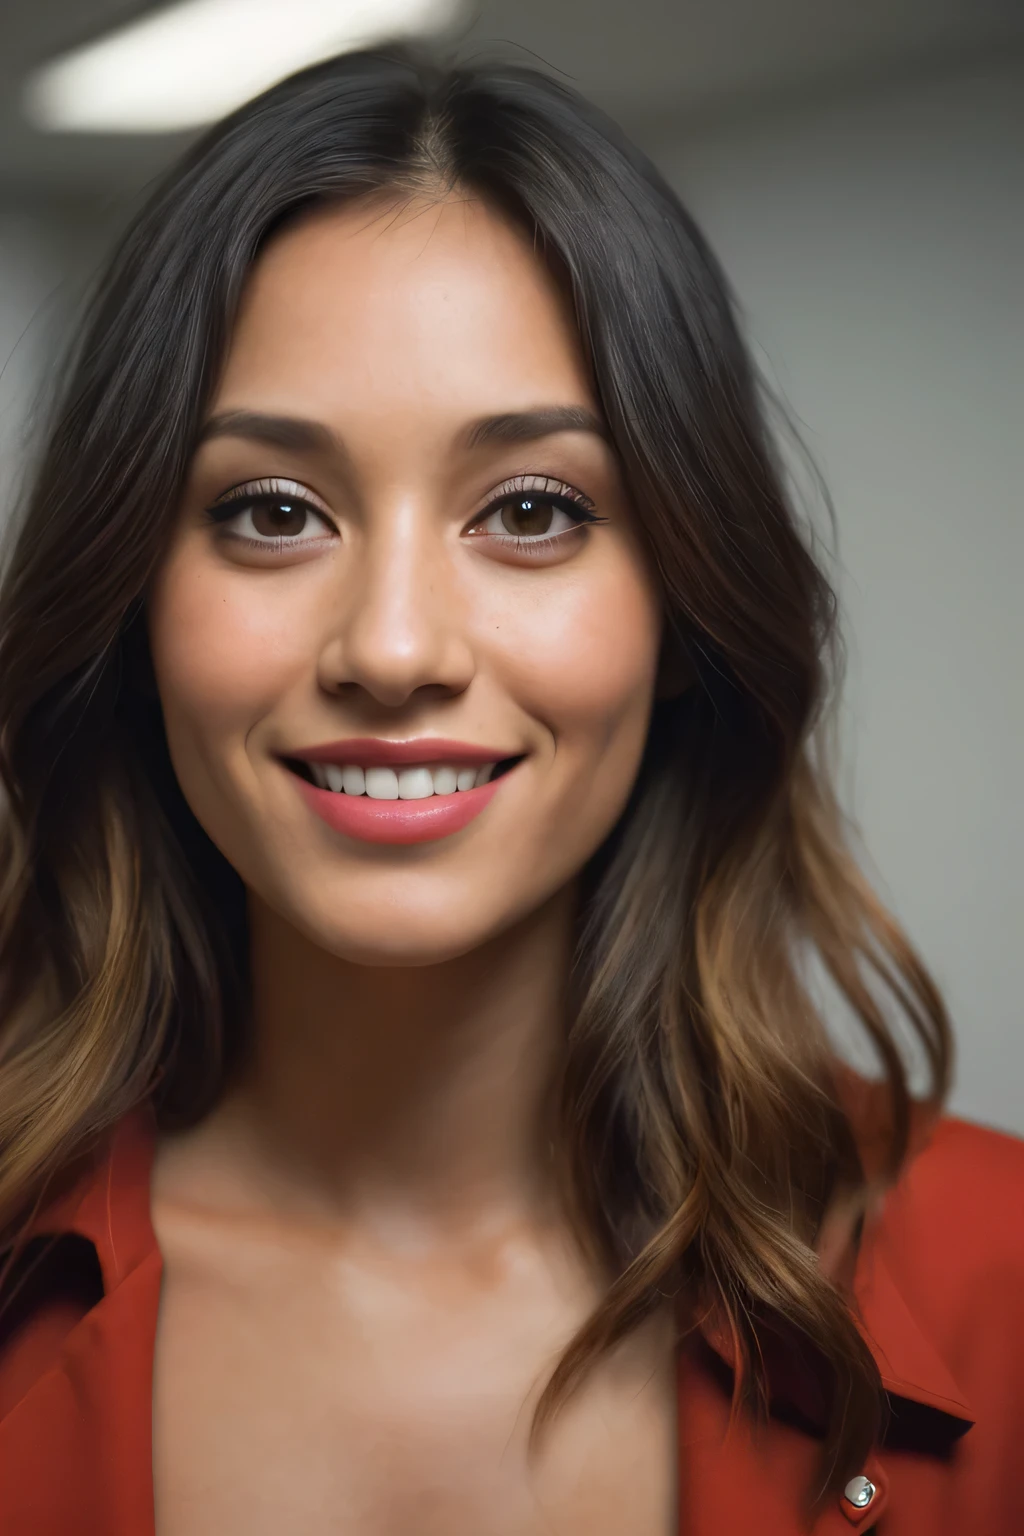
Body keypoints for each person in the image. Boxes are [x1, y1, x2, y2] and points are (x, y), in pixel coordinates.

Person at [0, 46, 1019, 1536]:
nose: (395, 647)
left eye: (531, 511)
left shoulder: (1002, 1270)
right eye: (272, 512)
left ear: (683, 607)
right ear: (133, 606)